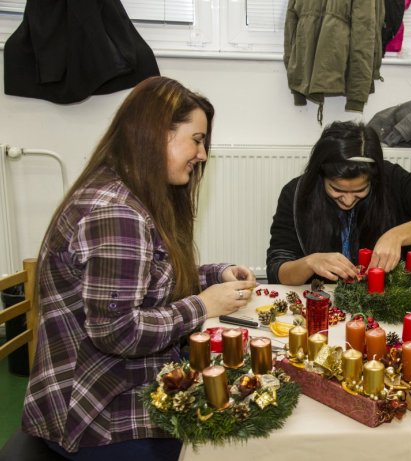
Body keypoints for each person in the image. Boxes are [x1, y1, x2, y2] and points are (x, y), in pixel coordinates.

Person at [22, 77, 257, 461]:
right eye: (197, 139)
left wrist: (216, 274)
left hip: (108, 385)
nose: (203, 154)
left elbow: (146, 279)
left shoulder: (126, 193)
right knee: (233, 439)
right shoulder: (116, 212)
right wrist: (203, 306)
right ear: (158, 134)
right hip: (92, 411)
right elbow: (118, 333)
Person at [266, 120, 411, 285]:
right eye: (337, 190)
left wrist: (397, 236)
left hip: (383, 302)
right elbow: (277, 271)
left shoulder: (391, 179)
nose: (348, 200)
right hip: (320, 303)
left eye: (360, 190)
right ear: (321, 176)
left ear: (373, 179)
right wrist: (310, 263)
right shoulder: (296, 194)